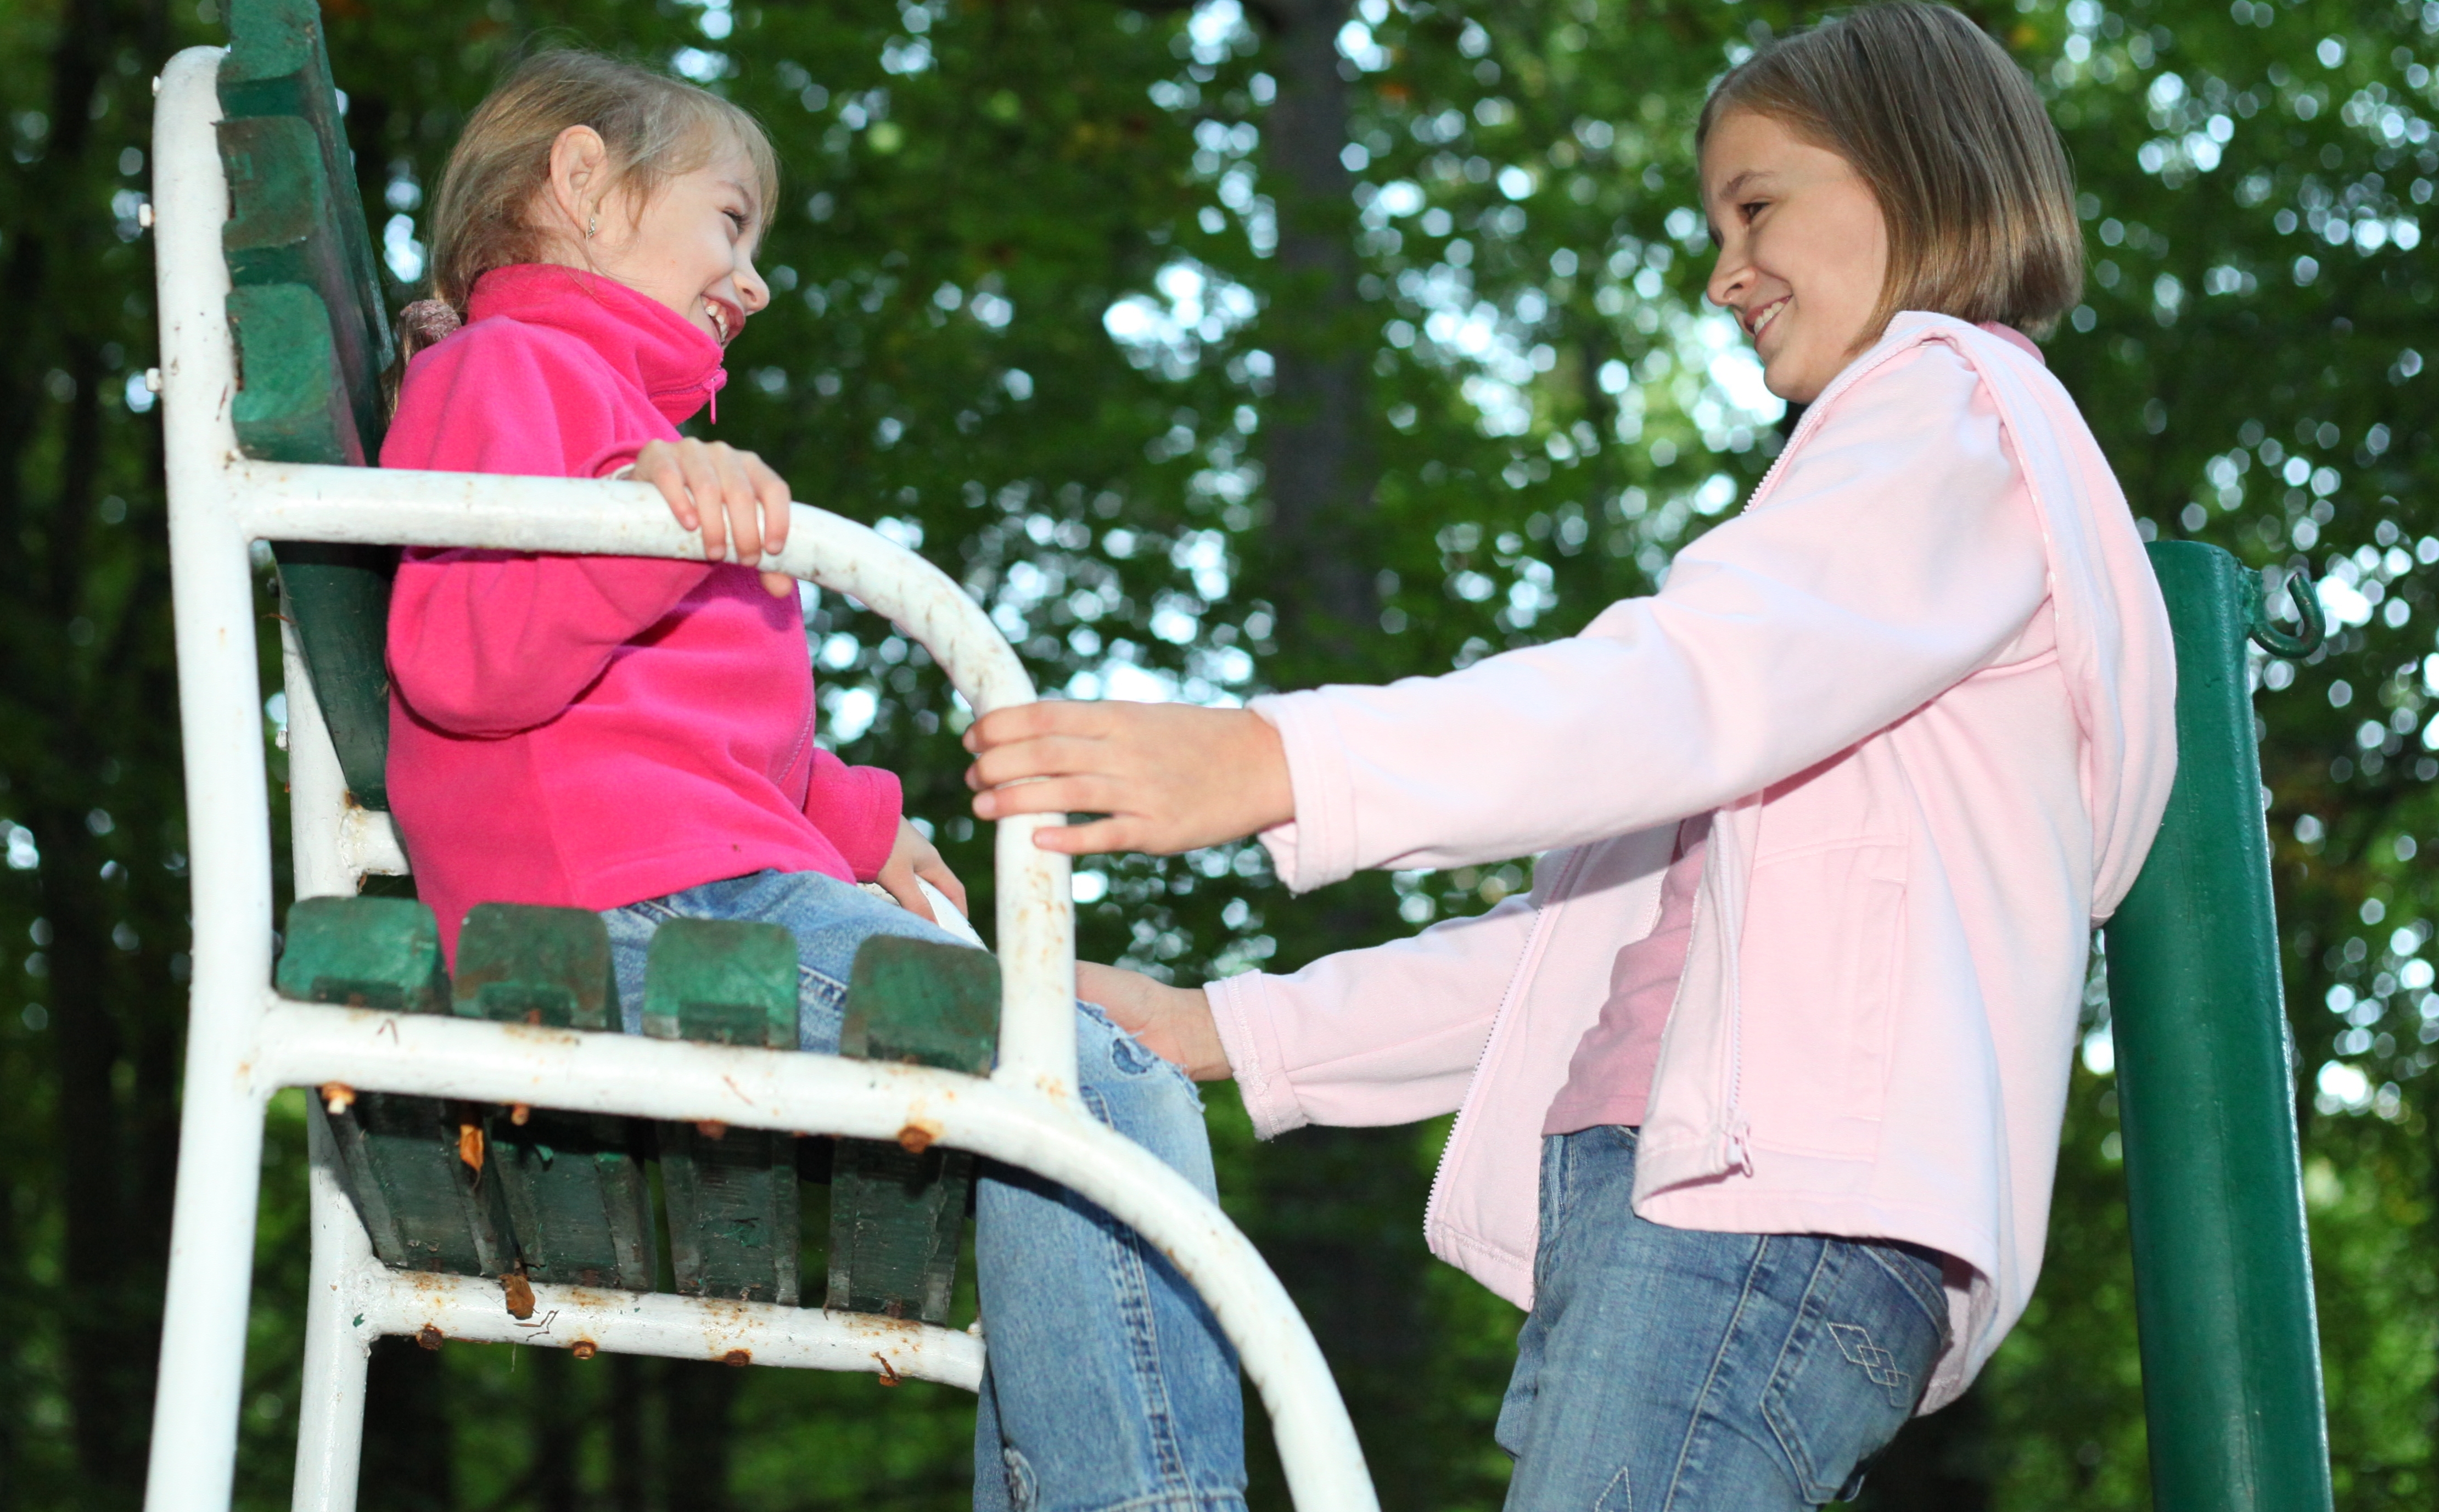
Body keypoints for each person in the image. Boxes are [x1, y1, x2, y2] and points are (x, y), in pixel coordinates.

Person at [964, 5, 2177, 1507]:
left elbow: (1685, 679)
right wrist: (1225, 1027)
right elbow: (1567, 956)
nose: (1723, 271)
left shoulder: (1948, 410)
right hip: (1672, 1204)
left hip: (1752, 1217)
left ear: (1913, 171)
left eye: (1754, 206)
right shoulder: (1868, 582)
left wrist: (1278, 758)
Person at [379, 50, 1244, 1512]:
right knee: (1088, 1077)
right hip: (625, 911)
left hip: (698, 880)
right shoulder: (501, 372)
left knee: (1080, 1082)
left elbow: (701, 743)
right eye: (730, 221)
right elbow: (457, 662)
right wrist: (630, 528)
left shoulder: (623, 431)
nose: (753, 278)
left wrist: (858, 821)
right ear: (582, 183)